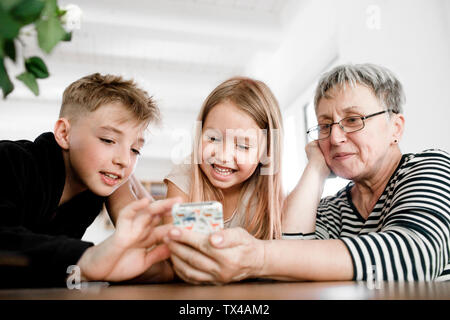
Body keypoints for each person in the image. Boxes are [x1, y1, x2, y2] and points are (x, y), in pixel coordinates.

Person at [164, 63, 450, 284]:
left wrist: (258, 256)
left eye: (352, 120)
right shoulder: (331, 207)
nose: (335, 137)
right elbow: (290, 258)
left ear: (395, 128)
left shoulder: (431, 168)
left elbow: (415, 256)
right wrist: (315, 168)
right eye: (325, 125)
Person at [0, 73, 180, 288]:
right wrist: (87, 258)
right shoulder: (9, 160)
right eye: (108, 140)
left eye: (135, 150)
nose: (123, 160)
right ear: (64, 133)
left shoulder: (92, 188)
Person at [163, 76, 285, 240]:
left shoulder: (263, 197)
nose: (223, 156)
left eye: (242, 146)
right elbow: (176, 246)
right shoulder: (186, 174)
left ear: (266, 152)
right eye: (213, 138)